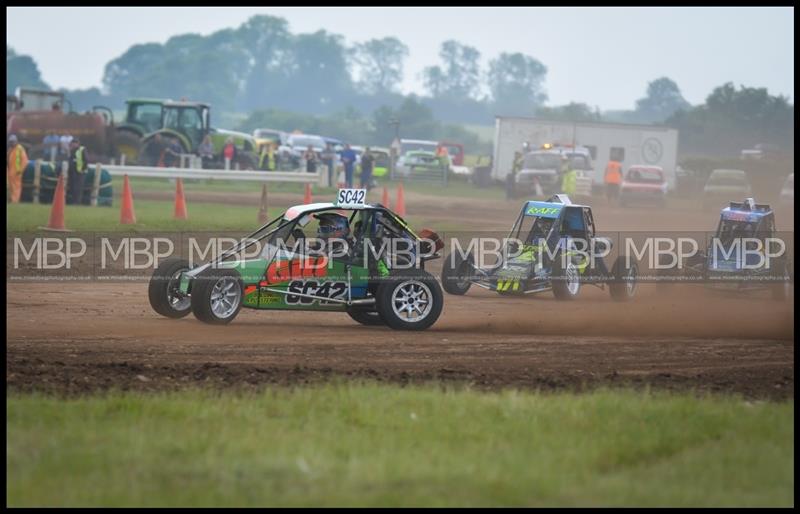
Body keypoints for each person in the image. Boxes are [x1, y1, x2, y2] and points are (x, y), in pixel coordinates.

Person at [7, 134, 29, 203]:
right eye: (10, 142)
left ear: (16, 141)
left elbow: (25, 160)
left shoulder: (20, 148)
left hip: (17, 172)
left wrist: (20, 170)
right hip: (10, 172)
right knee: (11, 187)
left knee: (16, 187)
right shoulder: (10, 149)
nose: (11, 143)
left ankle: (15, 201)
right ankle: (12, 199)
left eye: (12, 142)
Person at [67, 137, 88, 205]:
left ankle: (77, 202)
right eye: (72, 143)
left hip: (80, 172)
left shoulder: (82, 149)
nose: (73, 145)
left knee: (78, 188)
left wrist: (83, 169)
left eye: (74, 143)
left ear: (78, 144)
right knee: (72, 187)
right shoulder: (72, 150)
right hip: (73, 172)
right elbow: (71, 159)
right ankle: (74, 201)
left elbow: (86, 160)